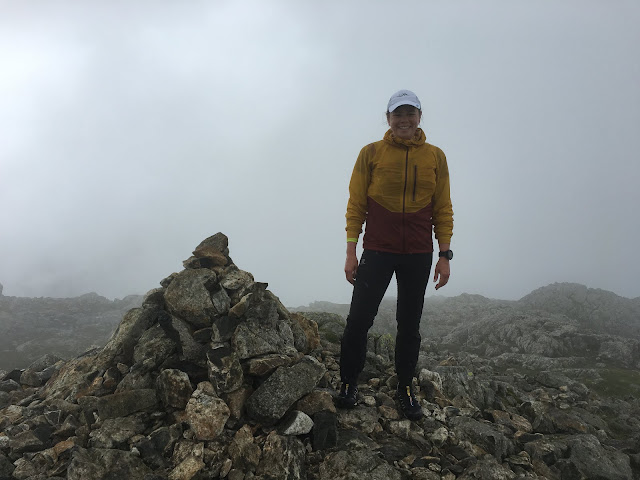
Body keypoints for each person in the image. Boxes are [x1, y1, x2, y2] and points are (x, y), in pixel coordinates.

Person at [336, 89, 454, 420]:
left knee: (409, 324)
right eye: (397, 114)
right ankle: (348, 383)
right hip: (377, 249)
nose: (404, 120)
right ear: (388, 119)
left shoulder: (435, 157)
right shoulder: (371, 153)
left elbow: (443, 208)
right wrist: (350, 251)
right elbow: (356, 205)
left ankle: (405, 387)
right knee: (359, 320)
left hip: (419, 253)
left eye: (410, 113)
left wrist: (445, 254)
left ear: (419, 117)